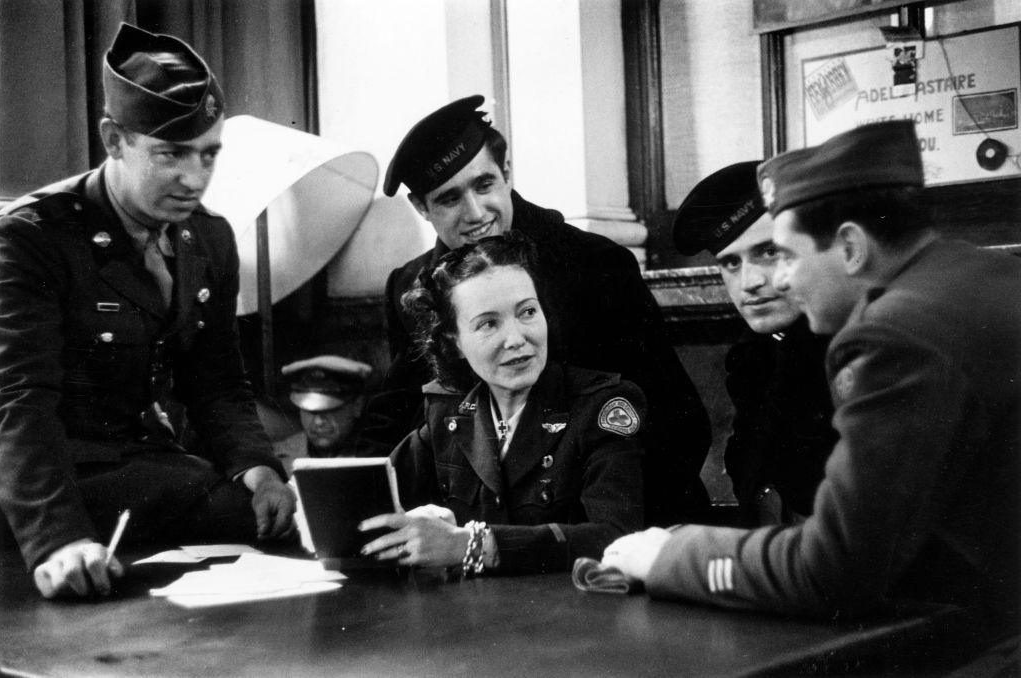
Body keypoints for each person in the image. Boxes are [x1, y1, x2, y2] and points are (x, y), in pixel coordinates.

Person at [602, 121, 1020, 632]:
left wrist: (669, 555)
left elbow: (834, 570)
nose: (776, 281)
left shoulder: (895, 337)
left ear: (850, 246)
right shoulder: (979, 278)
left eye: (787, 256)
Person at [0, 23, 295, 599]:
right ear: (113, 139)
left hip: (149, 474)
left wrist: (258, 469)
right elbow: (18, 401)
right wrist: (57, 541)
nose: (195, 179)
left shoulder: (208, 240)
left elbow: (218, 382)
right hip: (54, 483)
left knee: (266, 521)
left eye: (209, 155)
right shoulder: (31, 238)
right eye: (171, 154)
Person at [358, 95, 710, 526]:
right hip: (487, 534)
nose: (475, 213)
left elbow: (678, 421)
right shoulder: (413, 288)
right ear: (421, 208)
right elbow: (395, 415)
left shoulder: (594, 265)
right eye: (449, 198)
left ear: (506, 175)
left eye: (484, 185)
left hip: (615, 528)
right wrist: (339, 499)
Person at [359, 235, 644, 574]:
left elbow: (617, 538)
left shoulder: (602, 406)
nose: (517, 338)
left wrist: (471, 545)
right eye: (489, 323)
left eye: (527, 312)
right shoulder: (446, 413)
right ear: (454, 343)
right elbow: (366, 496)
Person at [673, 162, 836, 526]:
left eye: (768, 252)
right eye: (731, 262)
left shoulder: (860, 349)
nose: (749, 282)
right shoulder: (755, 356)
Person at [279, 355, 373, 457]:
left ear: (357, 406)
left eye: (330, 409)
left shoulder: (379, 455)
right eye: (309, 411)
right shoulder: (280, 458)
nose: (318, 422)